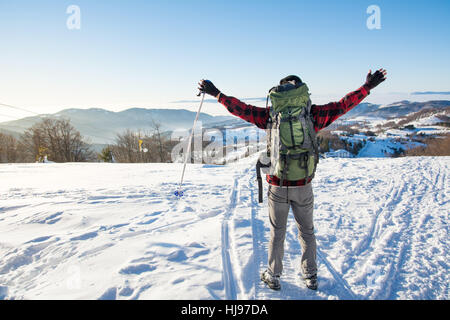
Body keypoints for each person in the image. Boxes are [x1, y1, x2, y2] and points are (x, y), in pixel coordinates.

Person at [198, 69, 387, 291]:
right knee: (307, 231)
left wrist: (216, 93)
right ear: (301, 91)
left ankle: (273, 275)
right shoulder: (313, 115)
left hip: (278, 185)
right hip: (304, 185)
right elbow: (343, 105)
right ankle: (311, 275)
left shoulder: (270, 115)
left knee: (277, 233)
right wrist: (367, 87)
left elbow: (241, 109)